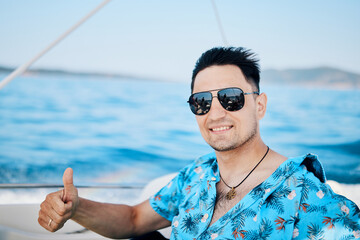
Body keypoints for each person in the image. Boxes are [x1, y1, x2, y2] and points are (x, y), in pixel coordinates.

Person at [39, 47, 360, 239]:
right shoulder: (196, 175)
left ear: (259, 105)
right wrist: (78, 209)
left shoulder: (306, 196)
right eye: (201, 102)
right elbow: (135, 219)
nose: (215, 113)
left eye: (231, 98)